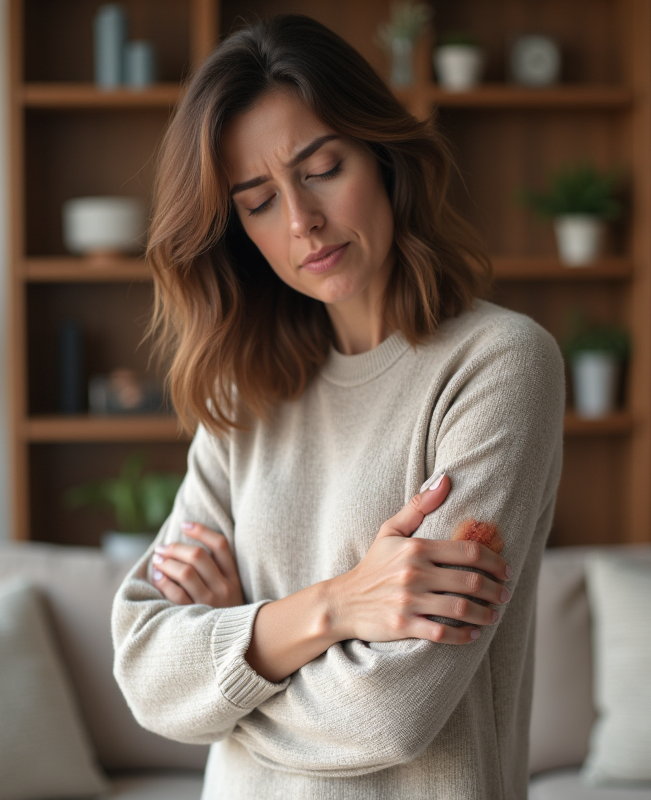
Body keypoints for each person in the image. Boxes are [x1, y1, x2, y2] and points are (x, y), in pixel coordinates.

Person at [111, 14, 564, 800]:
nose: (300, 221)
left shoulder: (497, 365)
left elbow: (392, 714)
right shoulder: (243, 395)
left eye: (321, 168)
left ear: (382, 155)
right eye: (257, 202)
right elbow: (147, 674)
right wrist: (338, 606)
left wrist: (236, 653)